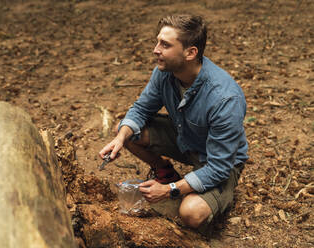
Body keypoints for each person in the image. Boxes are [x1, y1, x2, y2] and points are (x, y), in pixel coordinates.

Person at [99, 14, 248, 230]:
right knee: (127, 130)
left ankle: (221, 194)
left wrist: (169, 190)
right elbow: (141, 109)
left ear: (190, 52)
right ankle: (165, 170)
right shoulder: (165, 72)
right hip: (186, 137)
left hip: (218, 161)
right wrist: (120, 139)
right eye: (158, 41)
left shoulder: (225, 98)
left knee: (191, 213)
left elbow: (219, 166)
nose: (156, 49)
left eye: (165, 45)